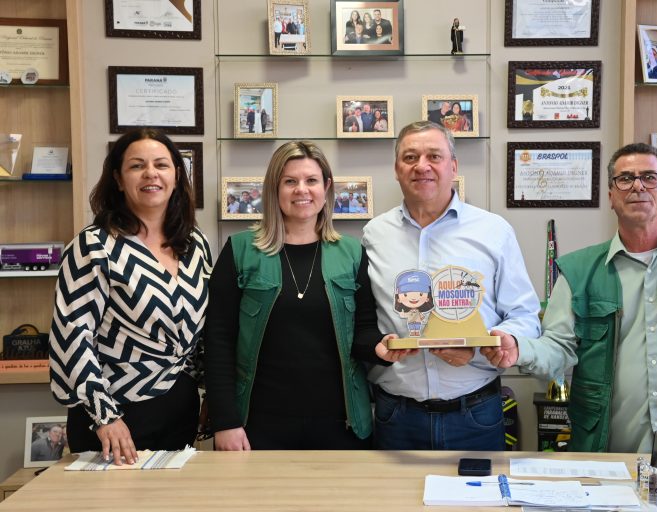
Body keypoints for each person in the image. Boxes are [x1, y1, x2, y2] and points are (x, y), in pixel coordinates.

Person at [482, 142, 657, 453]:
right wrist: (519, 348)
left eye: (650, 177)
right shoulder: (579, 271)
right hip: (605, 451)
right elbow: (558, 346)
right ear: (611, 197)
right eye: (625, 179)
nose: (637, 186)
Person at [204, 141, 402, 451]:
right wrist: (225, 421)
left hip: (341, 424)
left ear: (326, 187)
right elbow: (217, 341)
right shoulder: (240, 250)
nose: (302, 190)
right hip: (257, 424)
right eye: (290, 181)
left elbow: (362, 328)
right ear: (274, 189)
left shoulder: (351, 253)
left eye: (311, 180)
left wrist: (380, 348)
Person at [362, 121, 541, 450]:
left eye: (434, 156)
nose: (422, 166)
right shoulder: (374, 234)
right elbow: (361, 319)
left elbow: (525, 315)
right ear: (397, 169)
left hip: (475, 414)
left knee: (477, 504)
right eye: (410, 157)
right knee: (392, 504)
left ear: (453, 166)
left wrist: (492, 345)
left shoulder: (493, 231)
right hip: (395, 415)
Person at [49, 128, 212, 465]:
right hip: (113, 413)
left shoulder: (196, 244)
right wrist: (105, 416)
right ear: (119, 180)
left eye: (161, 165)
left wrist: (213, 395)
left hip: (179, 406)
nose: (151, 173)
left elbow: (203, 334)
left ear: (177, 176)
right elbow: (72, 336)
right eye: (137, 166)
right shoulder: (93, 246)